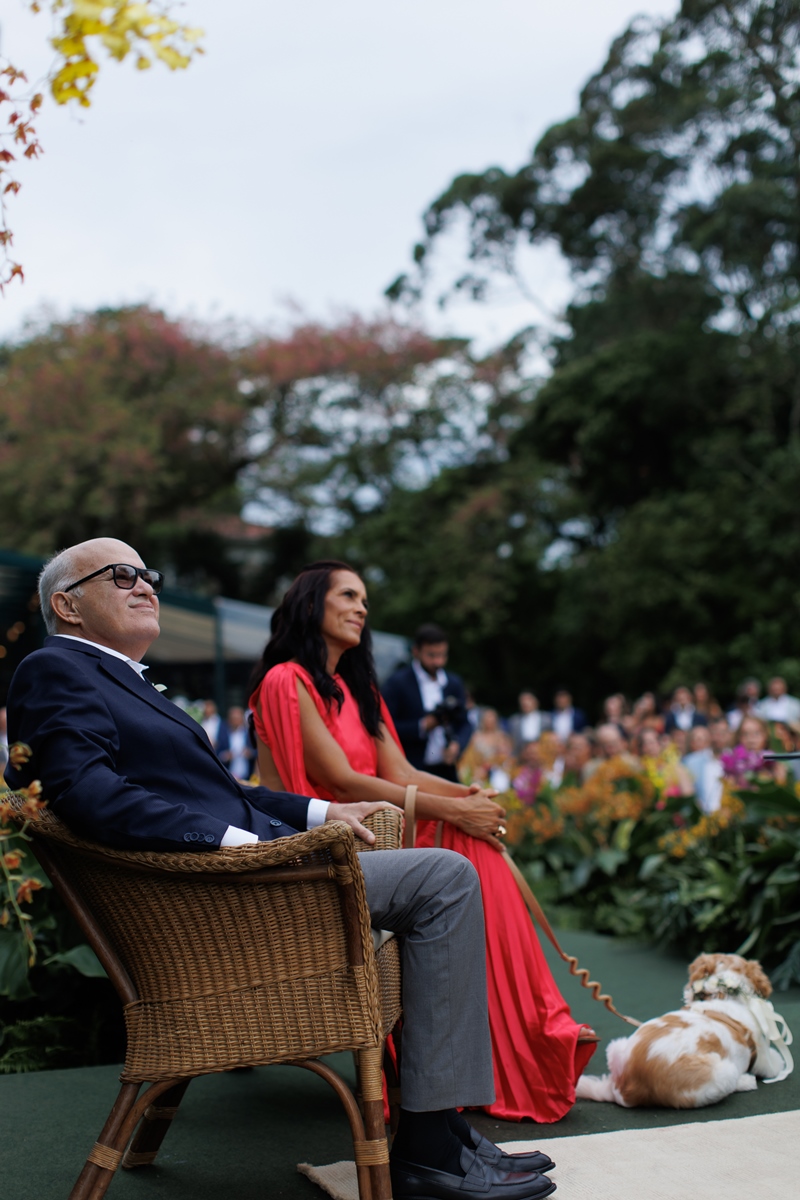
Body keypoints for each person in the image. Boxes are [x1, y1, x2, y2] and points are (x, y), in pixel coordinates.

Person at [5, 539, 556, 1200]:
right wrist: (243, 845)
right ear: (66, 604)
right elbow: (91, 798)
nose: (146, 585)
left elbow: (220, 788)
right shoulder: (55, 670)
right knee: (443, 879)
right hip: (233, 897)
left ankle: (446, 1135)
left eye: (148, 574)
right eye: (122, 576)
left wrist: (320, 812)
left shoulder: (107, 674)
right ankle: (433, 1144)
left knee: (440, 874)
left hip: (249, 879)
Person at [249, 560, 597, 1124]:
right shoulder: (286, 679)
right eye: (349, 595)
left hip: (377, 837)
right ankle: (518, 1040)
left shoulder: (359, 689)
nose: (362, 607)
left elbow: (401, 769)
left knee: (472, 838)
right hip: (321, 848)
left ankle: (523, 1037)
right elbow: (341, 780)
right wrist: (455, 809)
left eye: (365, 598)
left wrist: (470, 796)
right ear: (313, 604)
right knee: (462, 837)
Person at [382, 624, 474, 782]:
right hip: (410, 770)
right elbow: (384, 728)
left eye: (442, 655)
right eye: (431, 655)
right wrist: (422, 726)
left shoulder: (453, 683)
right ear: (416, 651)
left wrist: (457, 746)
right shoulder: (397, 683)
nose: (438, 661)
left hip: (446, 770)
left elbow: (465, 723)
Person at [459, 708, 515, 791]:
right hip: (478, 772)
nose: (489, 721)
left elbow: (507, 758)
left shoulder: (502, 737)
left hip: (496, 773)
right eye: (487, 718)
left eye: (492, 718)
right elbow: (469, 757)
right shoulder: (476, 737)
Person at [219, 705, 256, 780]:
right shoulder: (223, 733)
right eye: (233, 719)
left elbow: (257, 752)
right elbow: (218, 752)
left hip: (248, 776)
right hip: (229, 776)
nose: (235, 721)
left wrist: (250, 753)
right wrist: (225, 756)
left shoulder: (249, 734)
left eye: (237, 718)